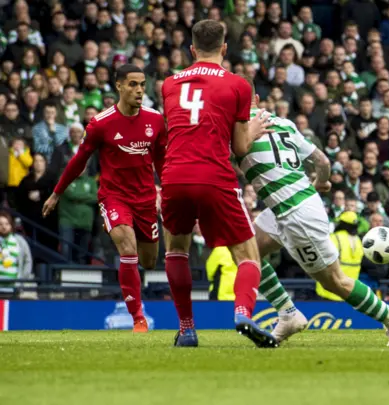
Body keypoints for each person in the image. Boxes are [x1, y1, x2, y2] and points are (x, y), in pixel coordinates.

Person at [238, 80, 389, 346]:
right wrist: (320, 182)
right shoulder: (283, 122)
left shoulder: (237, 130)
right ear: (257, 98)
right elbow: (322, 161)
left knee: (335, 282)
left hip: (297, 214)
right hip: (289, 205)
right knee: (246, 251)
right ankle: (288, 314)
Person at [160, 20, 275, 348]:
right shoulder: (238, 85)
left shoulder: (168, 84)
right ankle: (242, 312)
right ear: (224, 49)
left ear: (192, 49)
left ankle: (186, 329)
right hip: (213, 176)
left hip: (174, 176)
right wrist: (253, 128)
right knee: (248, 256)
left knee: (177, 251)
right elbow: (239, 148)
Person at [42, 64, 167, 333]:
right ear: (119, 86)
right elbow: (79, 160)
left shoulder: (156, 120)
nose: (139, 90)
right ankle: (138, 318)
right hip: (114, 197)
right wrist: (56, 193)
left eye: (142, 84)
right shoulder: (101, 123)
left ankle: (137, 305)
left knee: (149, 262)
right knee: (128, 250)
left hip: (145, 199)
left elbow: (162, 160)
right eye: (133, 84)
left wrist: (165, 190)